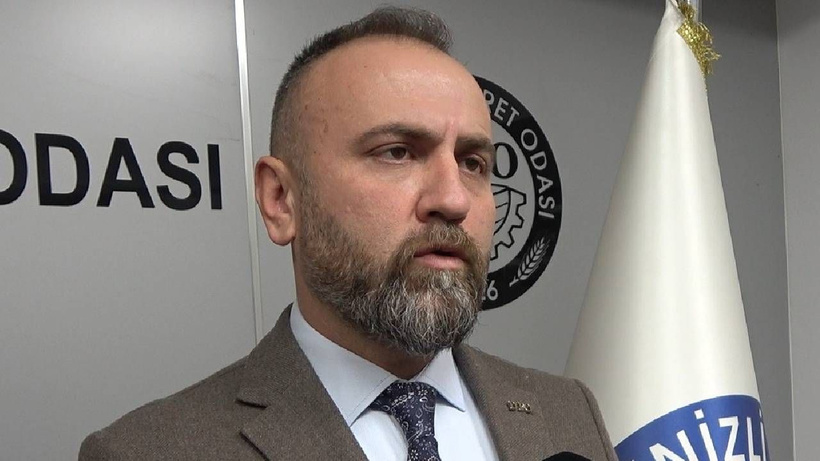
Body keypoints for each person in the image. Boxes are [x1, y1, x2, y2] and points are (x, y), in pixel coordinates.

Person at [79, 6, 616, 461]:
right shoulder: (147, 450)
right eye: (397, 153)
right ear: (281, 199)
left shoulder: (568, 415)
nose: (453, 200)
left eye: (473, 162)